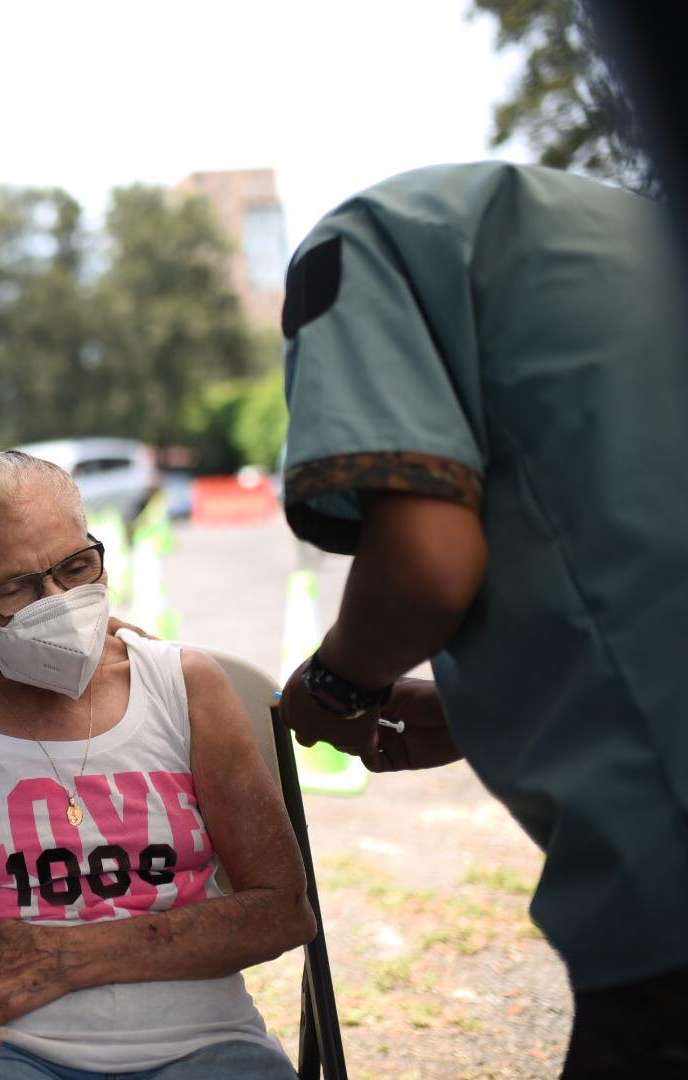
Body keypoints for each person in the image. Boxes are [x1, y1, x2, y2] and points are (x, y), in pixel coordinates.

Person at [275, 161, 688, 1077]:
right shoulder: (624, 231)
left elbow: (425, 568)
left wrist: (342, 684)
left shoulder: (361, 246)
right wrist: (490, 707)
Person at [0, 451, 317, 1080]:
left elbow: (282, 910)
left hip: (205, 1046)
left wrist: (71, 955)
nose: (61, 601)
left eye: (76, 567)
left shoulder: (186, 686)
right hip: (7, 1054)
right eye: (17, 586)